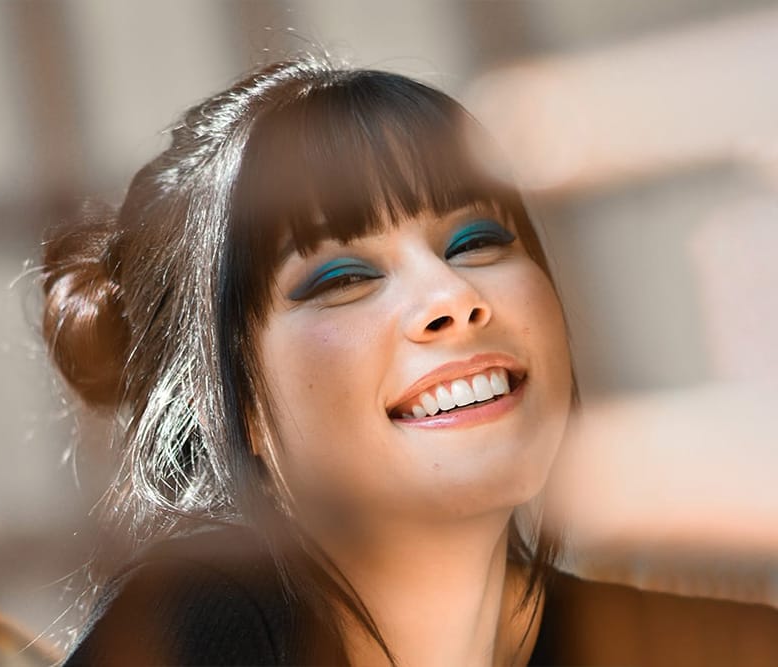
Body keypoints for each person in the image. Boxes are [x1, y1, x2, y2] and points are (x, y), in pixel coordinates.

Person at [41, 55, 778, 666]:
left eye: (477, 241)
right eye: (342, 279)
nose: (453, 297)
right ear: (236, 406)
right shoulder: (196, 627)